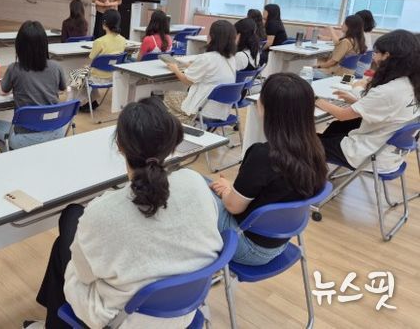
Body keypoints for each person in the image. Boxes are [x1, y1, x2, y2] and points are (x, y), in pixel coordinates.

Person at [30, 98, 223, 328]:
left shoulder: (102, 212)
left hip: (125, 320)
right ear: (173, 145)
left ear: (119, 146)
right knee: (70, 226)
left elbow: (82, 274)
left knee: (68, 231)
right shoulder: (195, 182)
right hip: (183, 313)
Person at [210, 73, 327, 265]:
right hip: (279, 242)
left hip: (245, 245)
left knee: (195, 186)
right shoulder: (314, 149)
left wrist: (225, 190)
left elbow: (233, 207)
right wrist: (229, 190)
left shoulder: (263, 155)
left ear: (264, 107)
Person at [316, 30, 420, 174]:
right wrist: (356, 101)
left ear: (387, 55)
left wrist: (315, 99)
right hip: (391, 155)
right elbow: (387, 108)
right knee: (336, 127)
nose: (374, 57)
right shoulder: (412, 84)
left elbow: (342, 115)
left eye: (376, 53)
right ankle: (317, 164)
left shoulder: (390, 90)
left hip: (369, 156)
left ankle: (310, 171)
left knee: (302, 144)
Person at [0, 21, 67, 150]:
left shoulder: (14, 69)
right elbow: (62, 90)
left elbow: (2, 91)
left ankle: (11, 156)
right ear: (45, 44)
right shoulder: (56, 67)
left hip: (25, 138)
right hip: (56, 132)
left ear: (19, 46)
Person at [163, 20, 237, 123]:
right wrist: (192, 66)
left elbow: (187, 81)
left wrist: (175, 69)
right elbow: (211, 72)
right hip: (222, 112)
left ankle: (188, 124)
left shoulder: (206, 58)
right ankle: (190, 124)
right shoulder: (231, 58)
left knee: (167, 96)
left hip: (203, 110)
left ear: (212, 37)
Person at [70, 9, 126, 112]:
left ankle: (74, 104)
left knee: (76, 74)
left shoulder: (99, 42)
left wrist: (84, 67)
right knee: (88, 73)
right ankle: (91, 101)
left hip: (97, 77)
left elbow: (90, 61)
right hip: (113, 76)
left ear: (104, 23)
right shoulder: (123, 40)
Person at [313, 14, 366, 79]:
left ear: (349, 27)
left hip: (337, 74)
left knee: (306, 72)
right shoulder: (357, 41)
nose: (341, 25)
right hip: (349, 74)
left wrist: (317, 66)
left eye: (343, 24)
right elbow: (337, 42)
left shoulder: (346, 41)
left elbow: (332, 62)